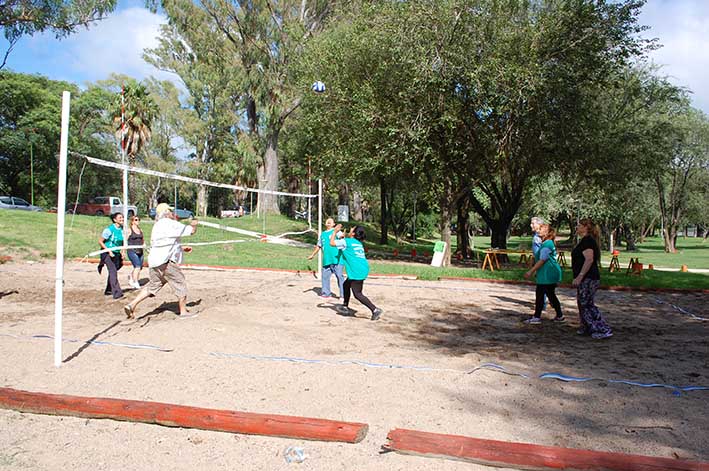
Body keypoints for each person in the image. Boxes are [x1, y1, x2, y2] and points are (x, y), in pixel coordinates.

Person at [123, 203, 199, 320]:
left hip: (154, 261)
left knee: (153, 285)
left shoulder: (157, 225)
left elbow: (164, 242)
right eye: (170, 211)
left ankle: (132, 304)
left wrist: (181, 248)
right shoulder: (170, 223)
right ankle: (183, 312)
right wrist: (194, 224)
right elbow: (191, 231)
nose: (173, 213)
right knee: (180, 282)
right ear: (167, 212)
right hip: (165, 261)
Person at [329, 224, 383, 321]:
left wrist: (335, 231)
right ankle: (345, 306)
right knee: (346, 285)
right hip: (362, 268)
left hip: (357, 271)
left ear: (353, 233)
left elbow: (332, 243)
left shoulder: (347, 242)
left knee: (357, 294)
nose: (350, 230)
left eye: (351, 229)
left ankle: (375, 310)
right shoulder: (358, 243)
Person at [572, 219, 612, 339]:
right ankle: (587, 326)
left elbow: (589, 259)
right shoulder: (584, 241)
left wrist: (580, 276)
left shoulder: (588, 241)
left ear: (586, 228)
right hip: (586, 278)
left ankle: (602, 328)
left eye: (579, 225)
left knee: (587, 303)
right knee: (582, 302)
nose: (577, 227)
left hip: (588, 278)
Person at [523, 224, 564, 324]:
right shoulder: (546, 243)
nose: (539, 230)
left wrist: (531, 271)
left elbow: (542, 260)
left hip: (548, 273)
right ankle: (560, 315)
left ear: (547, 232)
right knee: (550, 294)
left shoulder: (547, 244)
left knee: (540, 294)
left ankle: (537, 317)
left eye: (541, 229)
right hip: (548, 273)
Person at [307, 217, 345, 299]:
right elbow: (319, 246)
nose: (328, 221)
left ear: (333, 224)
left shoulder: (336, 231)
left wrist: (342, 235)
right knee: (325, 277)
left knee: (339, 276)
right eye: (327, 221)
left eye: (330, 221)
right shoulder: (323, 234)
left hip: (337, 259)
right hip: (327, 260)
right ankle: (326, 293)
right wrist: (312, 255)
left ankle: (343, 295)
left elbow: (342, 238)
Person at [97, 212, 125, 299]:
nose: (122, 219)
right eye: (120, 218)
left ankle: (108, 289)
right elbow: (100, 241)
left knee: (115, 270)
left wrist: (123, 252)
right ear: (115, 220)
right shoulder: (109, 230)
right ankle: (117, 292)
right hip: (107, 253)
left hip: (116, 253)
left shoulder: (122, 230)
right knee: (113, 271)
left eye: (122, 217)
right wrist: (109, 251)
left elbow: (123, 242)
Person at [126, 215, 144, 289]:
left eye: (138, 219)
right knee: (137, 266)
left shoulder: (140, 230)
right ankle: (136, 282)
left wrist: (146, 248)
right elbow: (125, 241)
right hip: (132, 250)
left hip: (140, 250)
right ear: (132, 221)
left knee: (140, 267)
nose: (138, 221)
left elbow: (143, 240)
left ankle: (131, 276)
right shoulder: (129, 230)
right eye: (136, 220)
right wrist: (123, 251)